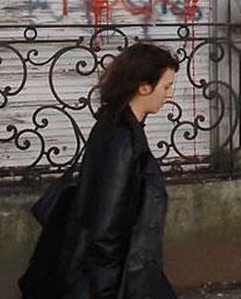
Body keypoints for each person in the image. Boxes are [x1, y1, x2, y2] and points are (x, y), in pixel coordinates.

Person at [20, 42, 180, 299]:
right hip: (115, 276)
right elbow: (105, 229)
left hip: (123, 268)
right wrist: (104, 289)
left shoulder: (113, 124)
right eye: (166, 86)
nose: (169, 94)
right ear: (143, 87)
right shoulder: (122, 141)